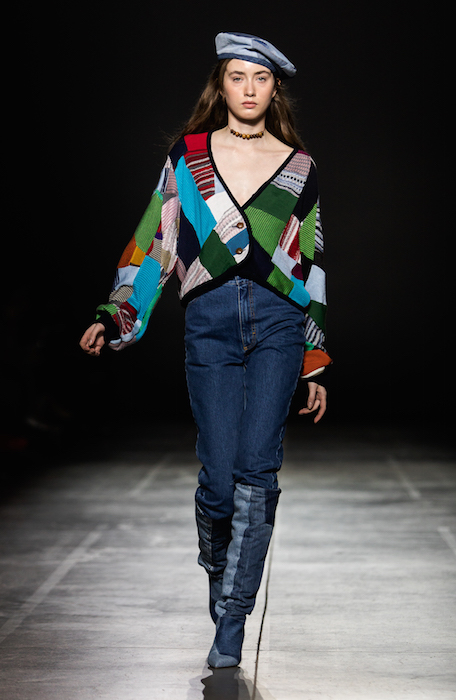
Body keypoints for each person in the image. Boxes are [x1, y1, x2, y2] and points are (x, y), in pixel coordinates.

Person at [79, 31, 332, 668]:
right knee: (218, 478)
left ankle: (233, 619)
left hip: (278, 323)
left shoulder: (299, 166)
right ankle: (221, 579)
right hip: (210, 322)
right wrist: (117, 311)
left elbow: (310, 262)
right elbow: (155, 240)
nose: (249, 89)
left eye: (261, 78)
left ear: (276, 88)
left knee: (257, 470)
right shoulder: (188, 157)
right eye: (237, 76)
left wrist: (314, 357)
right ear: (220, 84)